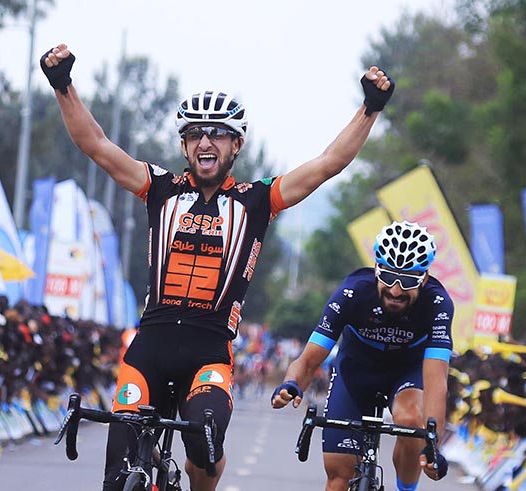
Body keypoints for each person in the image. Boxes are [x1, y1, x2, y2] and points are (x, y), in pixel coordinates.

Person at [41, 43, 394, 491]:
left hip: (209, 350)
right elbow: (95, 144)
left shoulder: (257, 199)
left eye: (218, 133)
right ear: (184, 144)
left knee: (205, 453)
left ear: (236, 144)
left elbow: (329, 164)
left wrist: (370, 108)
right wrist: (63, 85)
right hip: (150, 345)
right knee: (116, 478)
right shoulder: (159, 188)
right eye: (194, 133)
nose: (205, 141)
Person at [272, 220, 451, 491]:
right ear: (377, 271)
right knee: (340, 478)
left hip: (406, 375)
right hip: (355, 374)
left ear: (424, 278)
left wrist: (433, 445)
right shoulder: (352, 292)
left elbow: (437, 382)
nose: (396, 291)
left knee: (412, 421)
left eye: (409, 281)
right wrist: (292, 383)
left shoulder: (438, 304)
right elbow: (309, 359)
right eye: (389, 277)